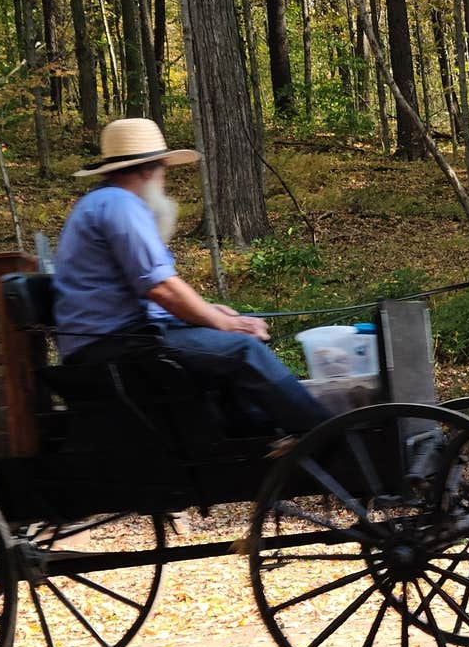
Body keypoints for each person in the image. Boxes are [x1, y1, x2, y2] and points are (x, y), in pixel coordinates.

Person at [53, 118, 328, 439]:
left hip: (115, 341)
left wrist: (213, 313)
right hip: (116, 347)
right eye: (163, 170)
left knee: (236, 334)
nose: (163, 179)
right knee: (243, 349)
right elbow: (160, 287)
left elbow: (150, 291)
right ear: (147, 170)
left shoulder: (101, 203)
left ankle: (257, 435)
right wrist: (221, 322)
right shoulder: (120, 205)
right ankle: (324, 435)